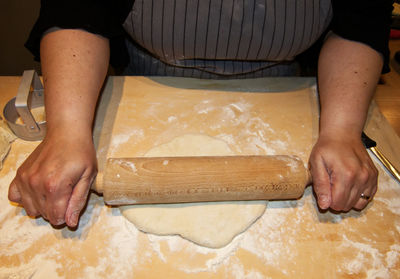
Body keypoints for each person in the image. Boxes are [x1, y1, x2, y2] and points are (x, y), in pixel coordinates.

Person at [8, 0, 393, 227]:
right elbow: (78, 10)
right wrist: (67, 131)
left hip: (291, 87)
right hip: (149, 81)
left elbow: (359, 23)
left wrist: (342, 131)